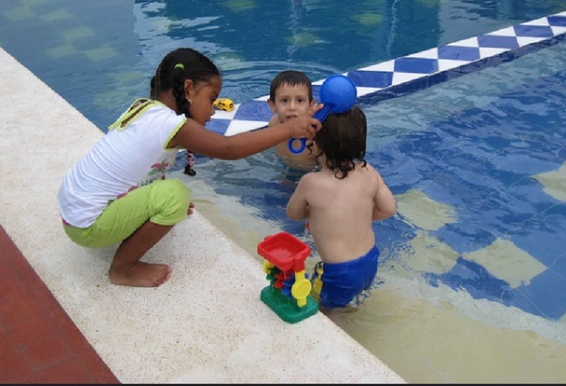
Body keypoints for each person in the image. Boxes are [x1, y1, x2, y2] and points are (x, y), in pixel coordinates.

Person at [57, 47, 322, 288]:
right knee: (175, 194)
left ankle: (143, 217)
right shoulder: (173, 125)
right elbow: (229, 149)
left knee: (166, 194)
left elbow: (144, 169)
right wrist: (289, 128)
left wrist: (151, 205)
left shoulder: (144, 108)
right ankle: (122, 269)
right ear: (188, 89)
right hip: (88, 224)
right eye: (211, 99)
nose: (213, 111)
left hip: (74, 208)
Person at [285, 105, 396, 314]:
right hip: (370, 261)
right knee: (351, 299)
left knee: (324, 313)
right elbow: (389, 209)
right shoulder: (369, 172)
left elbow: (294, 213)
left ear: (316, 143)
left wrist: (318, 215)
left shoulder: (311, 182)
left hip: (339, 272)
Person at [267, 70, 320, 172]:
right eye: (284, 100)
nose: (292, 107)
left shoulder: (316, 138)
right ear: (272, 105)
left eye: (300, 100)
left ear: (311, 105)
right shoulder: (273, 124)